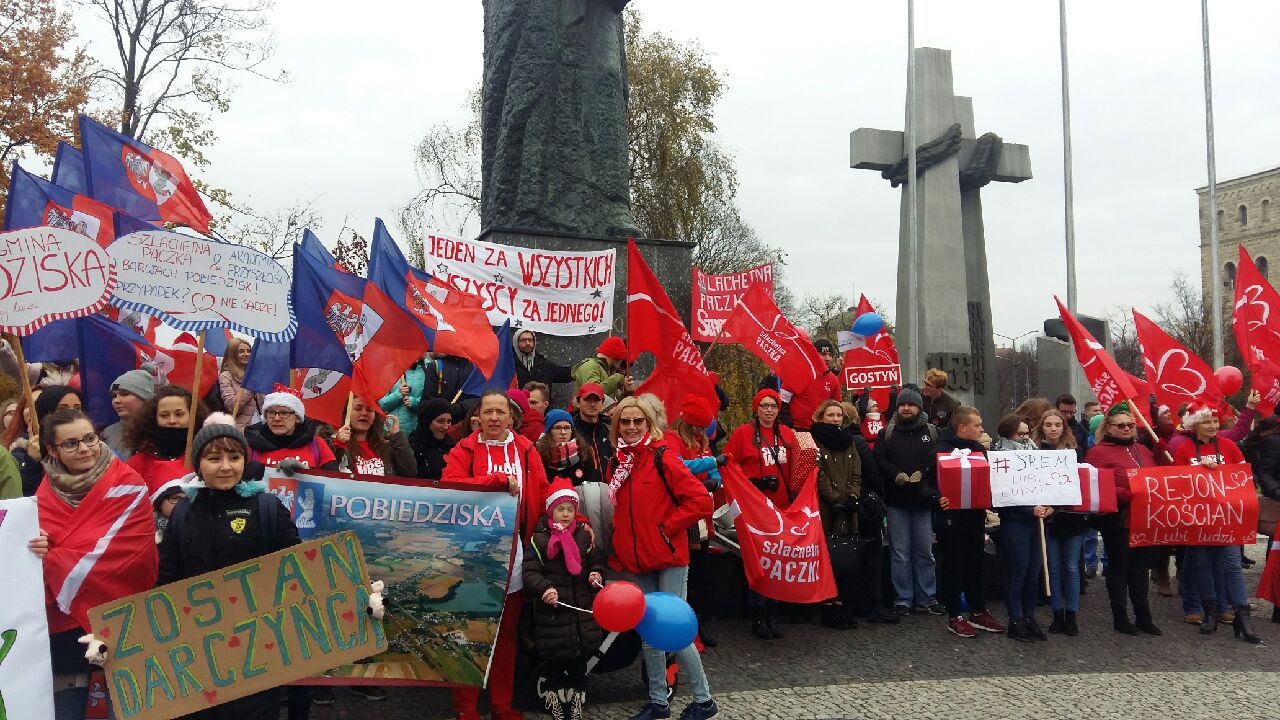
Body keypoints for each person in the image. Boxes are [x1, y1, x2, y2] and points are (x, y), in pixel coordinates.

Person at [159, 420, 302, 718]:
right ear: (198, 465)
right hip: (198, 652)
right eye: (214, 458)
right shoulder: (182, 512)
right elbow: (167, 581)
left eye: (234, 457)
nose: (225, 467)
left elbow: (298, 572)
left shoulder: (267, 507)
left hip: (257, 649)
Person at [28, 408, 158, 720]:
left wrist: (57, 557)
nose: (85, 448)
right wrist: (36, 549)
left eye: (90, 438)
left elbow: (135, 556)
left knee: (124, 713)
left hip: (121, 617)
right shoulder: (41, 497)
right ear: (52, 450)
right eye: (71, 444)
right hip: (64, 624)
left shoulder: (129, 485)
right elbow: (31, 563)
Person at [606, 394, 717, 720]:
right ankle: (658, 701)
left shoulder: (662, 457)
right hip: (637, 560)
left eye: (637, 421)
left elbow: (700, 500)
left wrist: (667, 528)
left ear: (649, 424)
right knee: (649, 634)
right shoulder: (618, 462)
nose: (631, 426)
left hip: (668, 558)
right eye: (625, 421)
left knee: (675, 631)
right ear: (617, 426)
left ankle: (704, 700)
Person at [443, 389, 551, 720]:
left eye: (500, 412)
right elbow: (451, 487)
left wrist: (576, 518)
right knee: (469, 630)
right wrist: (496, 481)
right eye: (487, 411)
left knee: (505, 634)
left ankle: (502, 706)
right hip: (471, 554)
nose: (493, 418)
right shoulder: (464, 449)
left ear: (511, 417)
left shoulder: (526, 449)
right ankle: (466, 709)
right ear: (477, 417)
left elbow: (544, 492)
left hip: (514, 551)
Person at [1172, 402, 1261, 643]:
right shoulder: (1184, 449)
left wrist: (1220, 470)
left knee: (1232, 565)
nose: (1213, 425)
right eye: (1206, 421)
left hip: (1227, 517)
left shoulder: (1229, 446)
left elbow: (1244, 477)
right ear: (1195, 425)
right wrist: (1199, 470)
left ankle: (1242, 617)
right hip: (1199, 518)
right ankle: (1210, 611)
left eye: (1214, 421)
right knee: (1202, 564)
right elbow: (1177, 482)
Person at [522, 479, 605, 720]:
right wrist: (545, 588)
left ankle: (576, 702)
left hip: (580, 615)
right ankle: (556, 702)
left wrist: (596, 574)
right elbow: (529, 572)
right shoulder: (539, 540)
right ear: (551, 510)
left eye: (570, 509)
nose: (566, 514)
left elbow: (597, 562)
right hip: (554, 616)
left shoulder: (584, 537)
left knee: (580, 665)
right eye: (561, 509)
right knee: (555, 665)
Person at [1085, 402, 1163, 636]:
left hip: (1143, 516)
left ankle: (1143, 616)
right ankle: (1120, 617)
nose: (1127, 428)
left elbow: (1158, 474)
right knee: (1120, 567)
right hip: (1118, 518)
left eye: (1130, 424)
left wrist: (1161, 452)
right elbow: (1094, 483)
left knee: (1140, 568)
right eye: (1121, 425)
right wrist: (1120, 492)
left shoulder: (1142, 450)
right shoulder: (1097, 452)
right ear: (1108, 427)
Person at [935, 406, 1006, 638]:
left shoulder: (978, 449)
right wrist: (936, 498)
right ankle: (954, 616)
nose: (981, 429)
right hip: (950, 521)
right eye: (977, 425)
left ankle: (978, 611)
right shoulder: (940, 448)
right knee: (953, 568)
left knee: (975, 566)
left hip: (975, 518)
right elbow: (925, 483)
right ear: (962, 427)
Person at [874, 387, 942, 616]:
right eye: (902, 404)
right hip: (896, 502)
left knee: (925, 552)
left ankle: (927, 598)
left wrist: (925, 474)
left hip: (923, 503)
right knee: (900, 553)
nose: (906, 408)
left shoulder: (933, 432)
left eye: (911, 405)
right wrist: (895, 474)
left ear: (919, 408)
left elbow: (940, 459)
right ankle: (903, 598)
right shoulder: (887, 433)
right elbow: (879, 459)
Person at [811, 399, 864, 631]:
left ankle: (842, 606)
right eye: (831, 415)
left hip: (847, 507)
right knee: (828, 559)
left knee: (845, 558)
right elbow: (817, 473)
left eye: (839, 415)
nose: (835, 419)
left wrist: (853, 496)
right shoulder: (814, 439)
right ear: (821, 416)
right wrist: (834, 499)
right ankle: (828, 608)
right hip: (827, 507)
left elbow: (856, 472)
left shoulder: (849, 440)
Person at [124, 385, 209, 494]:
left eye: (179, 414)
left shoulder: (205, 457)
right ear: (154, 419)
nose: (172, 420)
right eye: (164, 415)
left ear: (193, 416)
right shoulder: (138, 463)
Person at [724, 389, 794, 511]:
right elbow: (727, 464)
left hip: (783, 505)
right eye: (765, 406)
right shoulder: (743, 433)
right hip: (754, 505)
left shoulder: (786, 432)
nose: (769, 410)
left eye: (774, 406)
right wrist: (748, 482)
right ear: (757, 408)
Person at [244, 385, 340, 470]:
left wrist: (305, 472)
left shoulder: (317, 445)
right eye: (271, 412)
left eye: (284, 413)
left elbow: (332, 480)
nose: (276, 418)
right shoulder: (251, 445)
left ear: (297, 417)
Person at [15, 386, 83, 495]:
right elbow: (30, 497)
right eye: (61, 409)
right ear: (45, 413)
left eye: (77, 408)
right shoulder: (22, 454)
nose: (72, 414)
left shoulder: (94, 447)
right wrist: (33, 463)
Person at [333, 396, 417, 476]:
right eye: (358, 409)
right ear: (347, 414)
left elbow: (410, 472)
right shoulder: (336, 443)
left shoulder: (387, 444)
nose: (364, 413)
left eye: (369, 409)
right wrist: (339, 445)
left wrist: (397, 436)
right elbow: (330, 473)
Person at [784, 342, 842, 432]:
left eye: (830, 355)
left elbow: (837, 407)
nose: (828, 358)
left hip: (821, 431)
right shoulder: (797, 373)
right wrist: (788, 426)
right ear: (813, 355)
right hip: (797, 428)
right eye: (823, 354)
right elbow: (783, 402)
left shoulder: (833, 379)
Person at [539, 408, 602, 486]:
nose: (563, 432)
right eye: (558, 428)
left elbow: (593, 483)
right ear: (549, 431)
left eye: (567, 428)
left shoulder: (584, 452)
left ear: (572, 430)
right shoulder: (540, 454)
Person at [102, 368, 157, 457]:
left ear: (145, 398)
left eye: (124, 394)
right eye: (114, 396)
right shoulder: (108, 433)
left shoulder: (159, 432)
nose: (116, 400)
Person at [219, 337, 263, 429]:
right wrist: (250, 385)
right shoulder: (226, 376)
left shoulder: (256, 374)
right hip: (242, 428)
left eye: (249, 351)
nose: (246, 354)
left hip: (261, 424)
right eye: (241, 351)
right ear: (232, 354)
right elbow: (231, 406)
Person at [410, 398, 458, 480]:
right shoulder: (412, 445)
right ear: (427, 422)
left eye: (449, 421)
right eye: (440, 421)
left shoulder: (452, 447)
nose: (446, 427)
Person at [571, 336, 632, 401]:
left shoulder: (607, 371)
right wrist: (618, 378)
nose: (620, 363)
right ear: (617, 358)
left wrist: (627, 392)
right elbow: (593, 395)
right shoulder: (590, 365)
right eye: (621, 359)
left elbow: (611, 402)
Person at [379, 358, 426, 436]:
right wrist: (398, 394)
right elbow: (381, 404)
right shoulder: (389, 369)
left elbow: (431, 402)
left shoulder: (428, 368)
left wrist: (415, 402)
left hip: (417, 431)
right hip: (392, 430)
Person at [573, 383, 613, 466]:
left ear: (602, 403)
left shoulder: (611, 428)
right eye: (587, 399)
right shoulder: (569, 429)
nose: (592, 404)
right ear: (578, 402)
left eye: (596, 400)